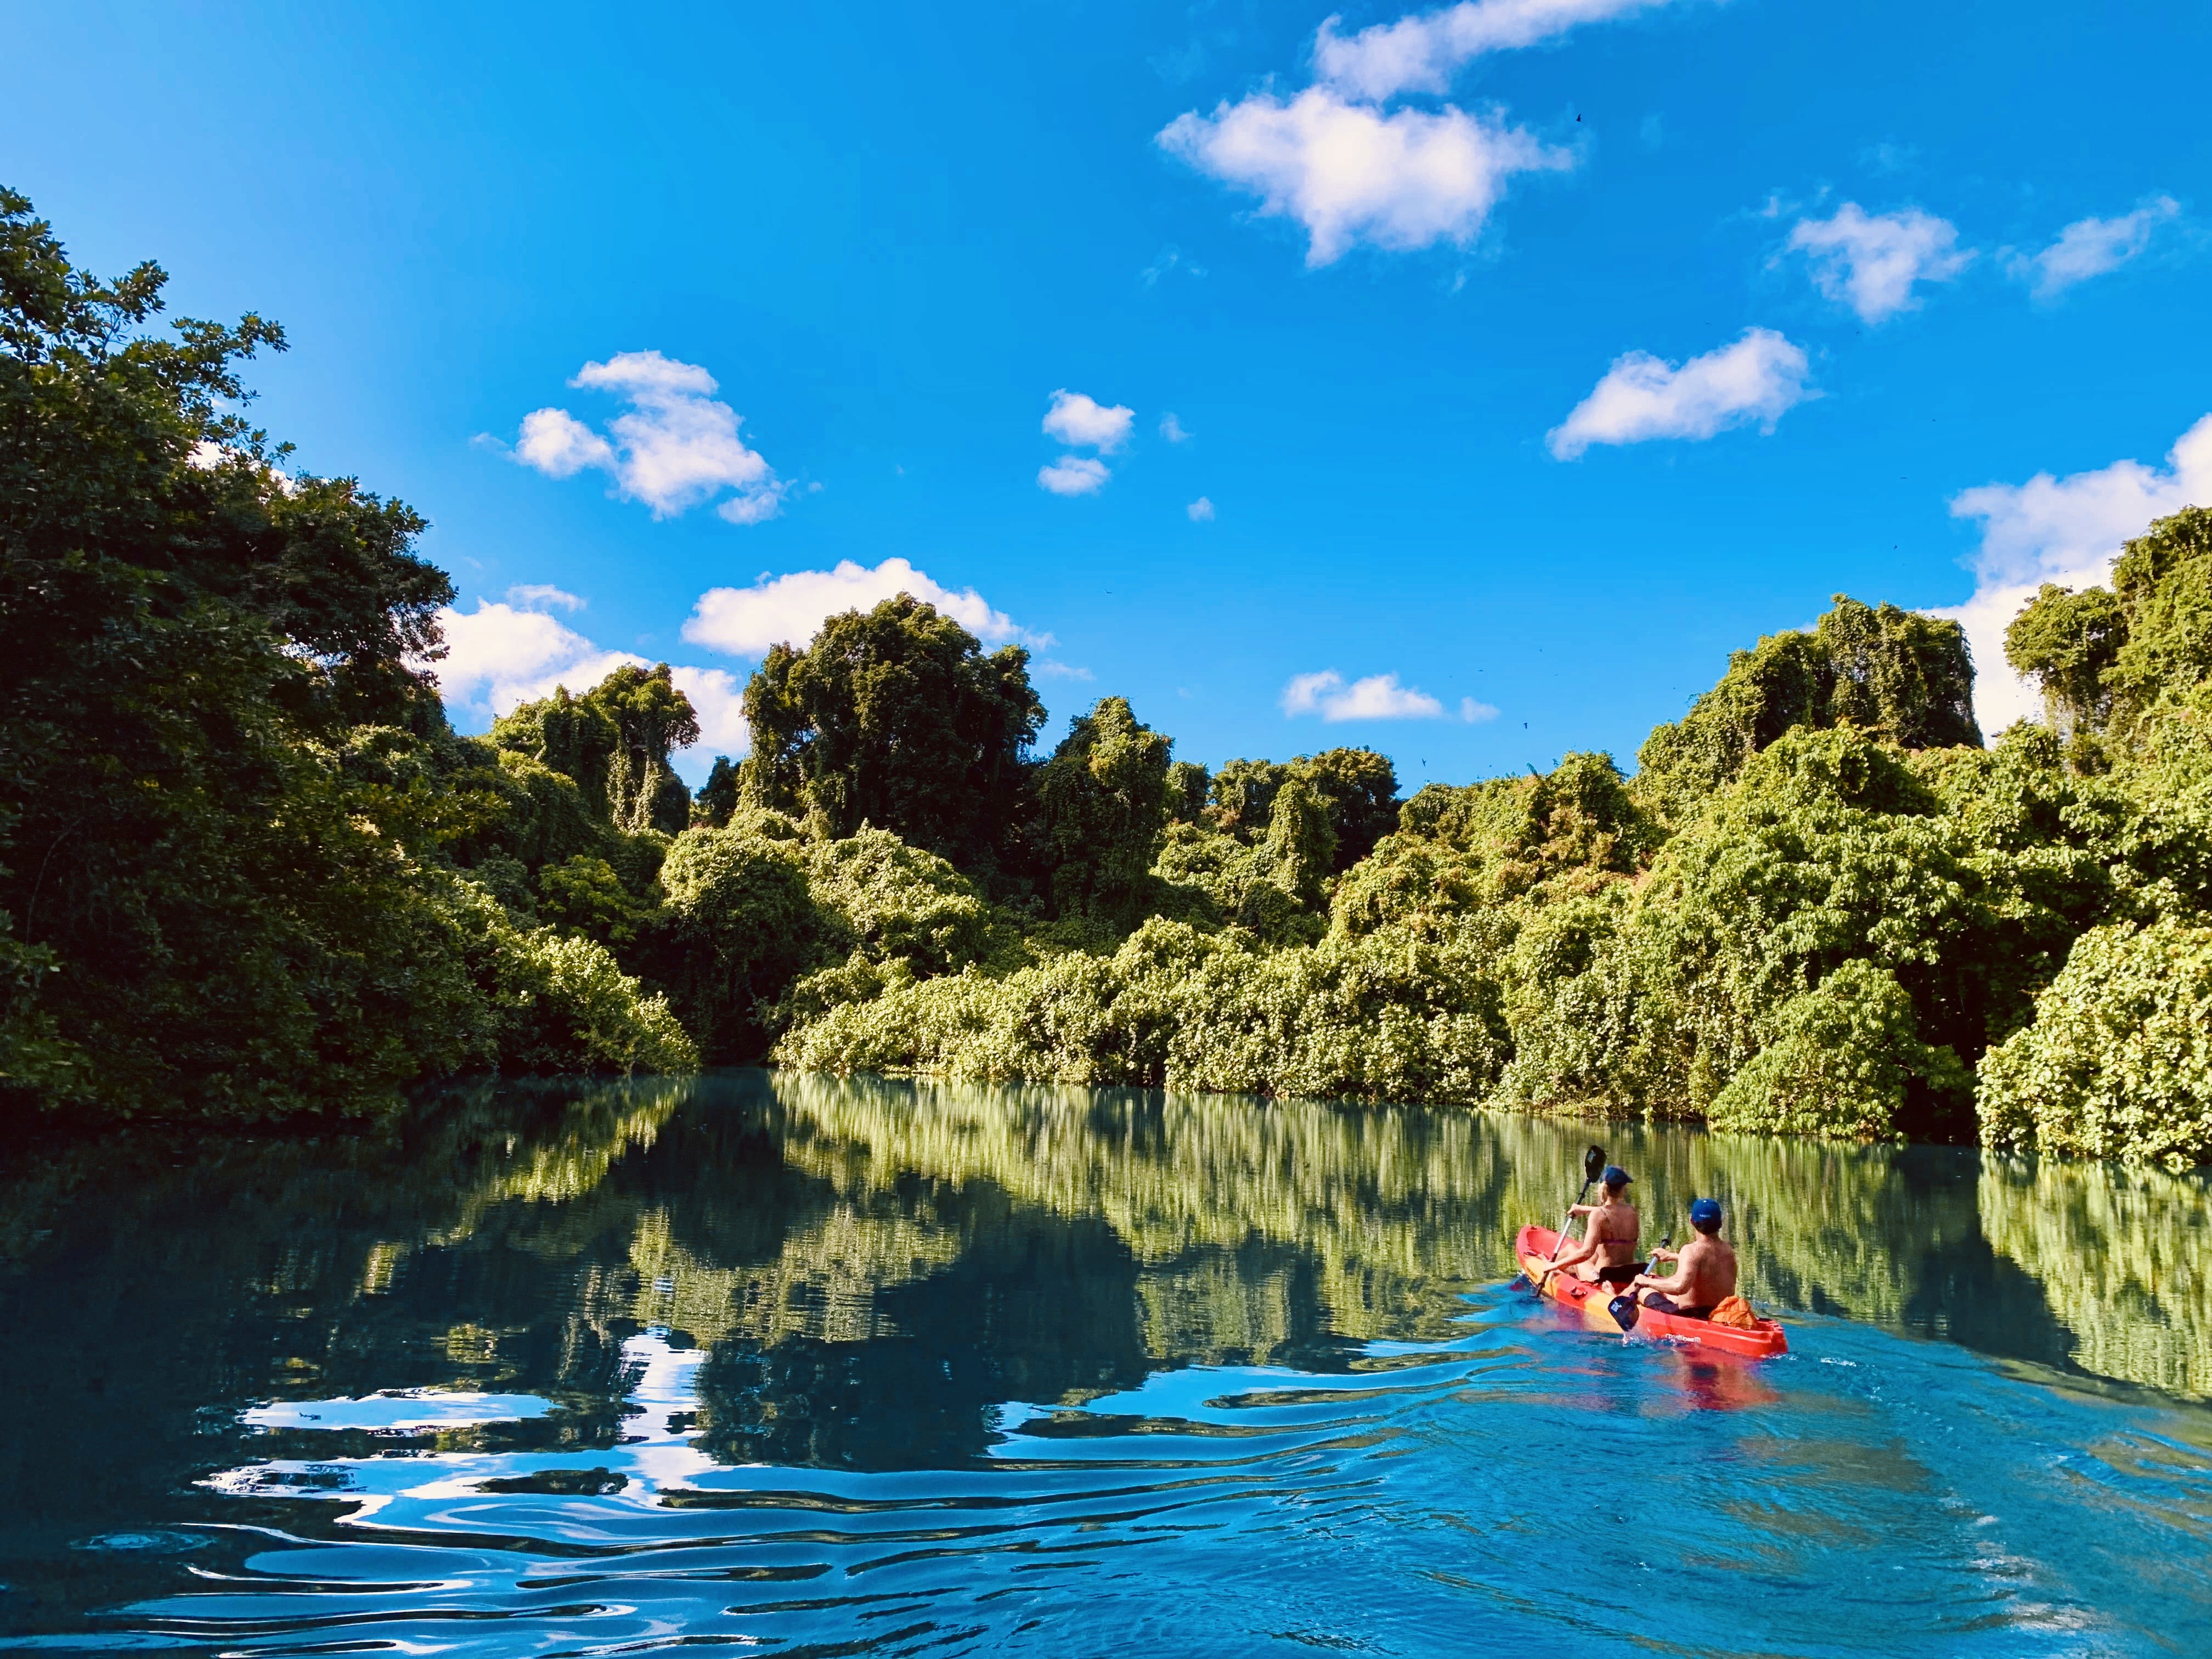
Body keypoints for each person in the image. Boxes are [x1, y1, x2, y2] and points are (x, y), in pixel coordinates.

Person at [1623, 1197, 1736, 1319]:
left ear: (1692, 1221)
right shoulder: (1728, 1250)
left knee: (1643, 1289)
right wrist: (1671, 1256)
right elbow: (1706, 1265)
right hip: (1719, 1313)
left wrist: (1645, 1281)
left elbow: (1680, 1287)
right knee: (1666, 1290)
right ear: (1720, 1223)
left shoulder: (1691, 1250)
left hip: (1692, 1316)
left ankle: (1615, 1301)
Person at [1545, 1165, 1640, 1287]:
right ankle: (1563, 1271)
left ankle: (1550, 1270)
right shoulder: (1632, 1211)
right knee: (1598, 1252)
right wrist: (1584, 1209)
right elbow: (1613, 1213)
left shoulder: (1599, 1215)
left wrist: (1555, 1265)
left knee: (1570, 1249)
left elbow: (1586, 1253)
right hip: (1629, 1275)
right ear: (1623, 1189)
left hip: (1603, 1279)